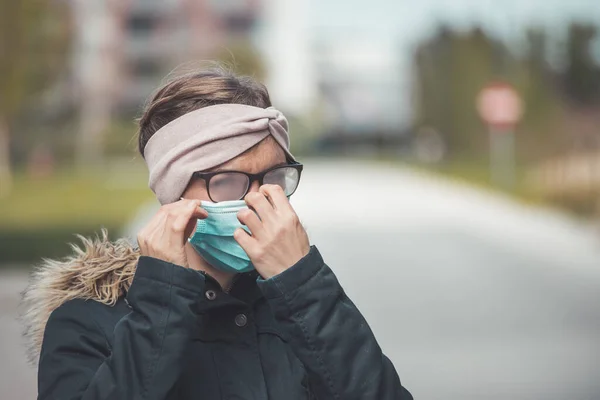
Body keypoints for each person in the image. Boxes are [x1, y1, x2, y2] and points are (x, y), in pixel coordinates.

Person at [22, 67, 413, 400]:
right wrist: (161, 301)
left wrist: (305, 286)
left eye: (275, 178)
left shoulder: (300, 308)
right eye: (229, 182)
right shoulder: (87, 323)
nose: (260, 199)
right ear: (173, 193)